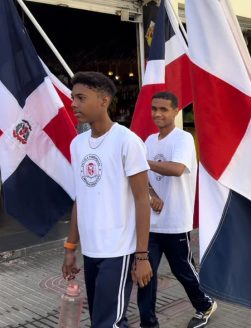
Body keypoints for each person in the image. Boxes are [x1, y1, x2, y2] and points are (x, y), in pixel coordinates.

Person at [62, 72, 152, 327]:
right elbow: (81, 199)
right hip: (91, 249)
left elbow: (141, 199)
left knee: (106, 322)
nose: (73, 104)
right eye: (73, 98)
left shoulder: (127, 141)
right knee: (104, 320)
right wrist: (71, 248)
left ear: (104, 100)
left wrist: (142, 256)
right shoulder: (78, 145)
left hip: (119, 250)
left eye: (81, 98)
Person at [138, 92, 216, 328]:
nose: (158, 114)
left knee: (182, 270)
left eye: (164, 109)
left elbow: (177, 168)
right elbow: (140, 176)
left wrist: (141, 161)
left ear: (175, 111)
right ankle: (148, 323)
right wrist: (151, 194)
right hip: (150, 223)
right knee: (144, 275)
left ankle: (205, 305)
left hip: (176, 221)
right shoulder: (149, 141)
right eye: (154, 109)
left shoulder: (183, 139)